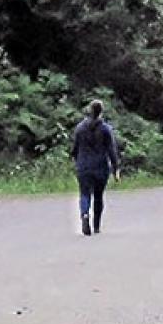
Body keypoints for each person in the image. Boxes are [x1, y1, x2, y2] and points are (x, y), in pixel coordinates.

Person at [69, 100, 121, 236]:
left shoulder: (80, 128)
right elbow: (112, 151)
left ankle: (85, 214)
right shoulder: (105, 129)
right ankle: (96, 225)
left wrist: (75, 160)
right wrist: (116, 169)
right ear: (101, 112)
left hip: (84, 166)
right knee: (98, 196)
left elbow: (74, 149)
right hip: (100, 167)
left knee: (84, 193)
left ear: (89, 110)